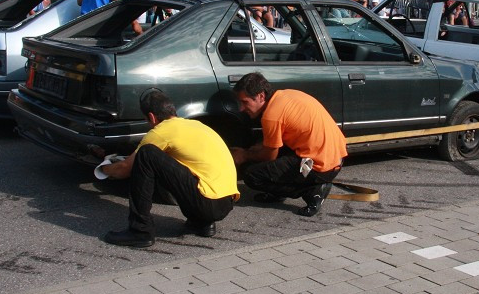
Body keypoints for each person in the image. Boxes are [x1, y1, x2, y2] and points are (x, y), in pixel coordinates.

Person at [100, 90, 239, 247]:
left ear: (151, 117)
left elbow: (125, 169)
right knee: (185, 165)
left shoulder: (161, 132)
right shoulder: (197, 125)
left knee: (147, 154)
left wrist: (104, 169)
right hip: (226, 202)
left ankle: (140, 231)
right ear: (173, 110)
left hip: (206, 202)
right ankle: (202, 223)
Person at [230, 73, 347, 217]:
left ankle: (313, 191)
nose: (241, 108)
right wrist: (258, 148)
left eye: (245, 102)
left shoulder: (271, 116)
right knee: (263, 156)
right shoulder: (285, 95)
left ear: (261, 96)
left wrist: (244, 155)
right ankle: (277, 192)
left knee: (251, 174)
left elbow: (268, 156)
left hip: (320, 168)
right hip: (337, 158)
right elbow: (280, 137)